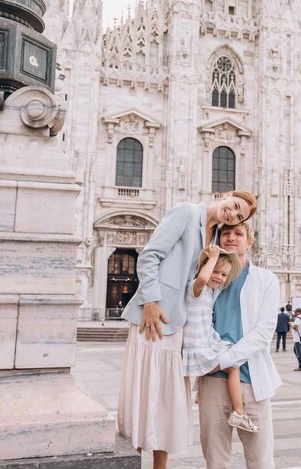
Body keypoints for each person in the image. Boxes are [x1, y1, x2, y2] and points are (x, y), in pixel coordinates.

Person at [118, 191, 257, 469]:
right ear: (227, 196)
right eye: (235, 206)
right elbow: (149, 256)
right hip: (154, 317)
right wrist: (150, 301)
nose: (233, 214)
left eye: (240, 216)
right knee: (146, 394)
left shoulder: (214, 236)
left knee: (167, 399)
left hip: (179, 322)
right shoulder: (186, 212)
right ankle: (131, 461)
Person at [196, 222, 283, 468]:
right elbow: (195, 322)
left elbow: (264, 331)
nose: (231, 238)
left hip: (252, 381)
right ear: (218, 239)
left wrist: (222, 361)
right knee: (215, 460)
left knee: (261, 461)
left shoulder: (266, 280)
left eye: (238, 234)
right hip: (212, 382)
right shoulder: (208, 278)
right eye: (226, 233)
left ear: (249, 240)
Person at [182, 246, 256, 432]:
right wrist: (213, 257)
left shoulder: (210, 292)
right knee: (233, 366)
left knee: (231, 359)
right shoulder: (195, 288)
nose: (219, 277)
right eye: (216, 271)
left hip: (206, 343)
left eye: (224, 275)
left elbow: (221, 283)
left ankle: (234, 410)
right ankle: (239, 414)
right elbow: (203, 278)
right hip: (198, 347)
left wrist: (219, 264)